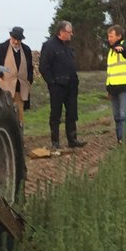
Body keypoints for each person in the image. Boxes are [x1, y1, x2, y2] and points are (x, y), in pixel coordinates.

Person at [38, 20, 85, 155]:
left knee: (72, 112)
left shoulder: (68, 46)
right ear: (61, 32)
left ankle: (72, 139)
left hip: (71, 85)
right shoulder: (49, 46)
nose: (71, 34)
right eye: (69, 32)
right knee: (56, 114)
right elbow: (44, 67)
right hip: (58, 86)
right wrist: (52, 83)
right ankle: (55, 141)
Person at [0, 26, 33, 124]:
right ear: (10, 37)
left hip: (20, 90)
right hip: (3, 89)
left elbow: (30, 68)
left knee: (19, 116)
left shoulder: (26, 50)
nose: (16, 42)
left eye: (19, 40)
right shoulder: (0, 48)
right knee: (4, 115)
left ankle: (19, 137)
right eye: (14, 39)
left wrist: (29, 81)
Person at [105, 24, 126, 144]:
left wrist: (121, 49)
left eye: (111, 36)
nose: (109, 39)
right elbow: (110, 71)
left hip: (125, 87)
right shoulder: (110, 52)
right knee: (117, 117)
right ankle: (120, 141)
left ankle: (125, 141)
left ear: (119, 36)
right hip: (113, 88)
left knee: (123, 115)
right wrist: (108, 89)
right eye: (108, 36)